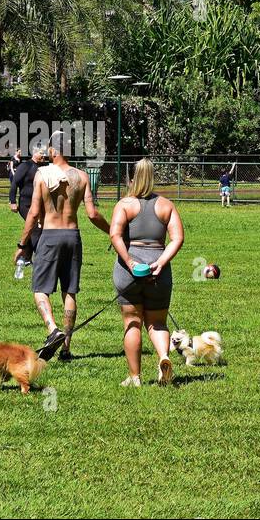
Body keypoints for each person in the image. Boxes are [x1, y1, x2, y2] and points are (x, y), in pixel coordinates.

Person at [18, 144, 111, 362]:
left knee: (40, 289)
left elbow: (33, 214)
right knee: (69, 292)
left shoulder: (42, 174)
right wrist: (112, 232)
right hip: (73, 236)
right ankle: (66, 349)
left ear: (53, 151)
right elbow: (92, 214)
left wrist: (22, 246)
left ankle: (53, 329)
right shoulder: (82, 176)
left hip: (50, 235)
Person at [109, 158, 184, 387]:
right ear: (152, 178)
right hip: (159, 273)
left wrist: (130, 262)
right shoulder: (166, 205)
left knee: (132, 322)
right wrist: (161, 262)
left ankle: (134, 377)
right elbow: (177, 238)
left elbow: (115, 235)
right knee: (158, 323)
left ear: (131, 178)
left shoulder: (125, 204)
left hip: (129, 273)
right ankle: (163, 356)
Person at [9, 147, 46, 280]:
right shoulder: (25, 166)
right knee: (36, 229)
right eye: (41, 153)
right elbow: (15, 183)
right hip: (26, 204)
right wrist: (12, 201)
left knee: (34, 229)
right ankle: (41, 258)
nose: (44, 155)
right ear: (34, 153)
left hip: (40, 204)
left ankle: (25, 258)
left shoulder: (44, 167)